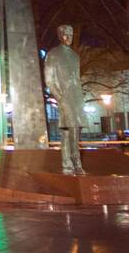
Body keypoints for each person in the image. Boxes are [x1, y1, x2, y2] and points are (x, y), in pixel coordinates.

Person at [44, 23, 85, 175]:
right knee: (69, 129)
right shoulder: (53, 54)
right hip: (64, 97)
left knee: (72, 130)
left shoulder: (75, 56)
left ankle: (70, 162)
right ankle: (74, 161)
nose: (69, 38)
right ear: (60, 36)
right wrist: (59, 97)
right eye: (66, 35)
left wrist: (80, 97)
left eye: (71, 35)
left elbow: (77, 78)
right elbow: (49, 80)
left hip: (76, 97)